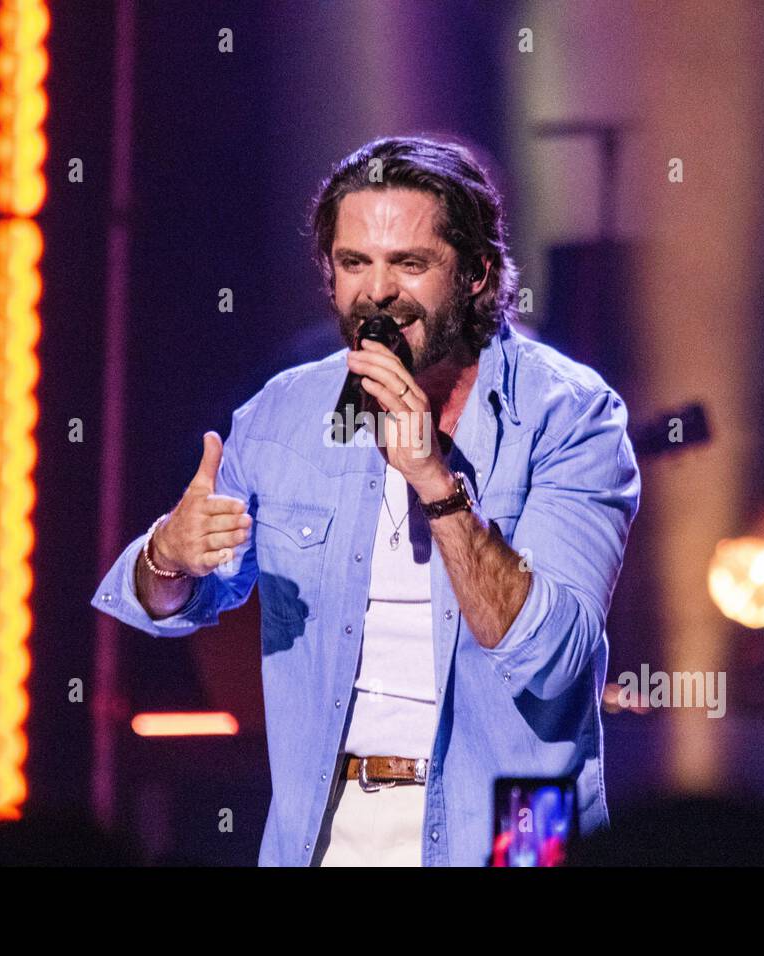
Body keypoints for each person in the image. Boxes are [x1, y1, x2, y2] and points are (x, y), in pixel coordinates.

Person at [91, 136, 641, 866]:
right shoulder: (284, 413)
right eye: (355, 263)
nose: (376, 292)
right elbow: (171, 604)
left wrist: (434, 480)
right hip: (331, 827)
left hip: (515, 829)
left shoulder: (568, 415)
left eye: (408, 264)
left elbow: (553, 658)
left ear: (477, 272)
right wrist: (169, 555)